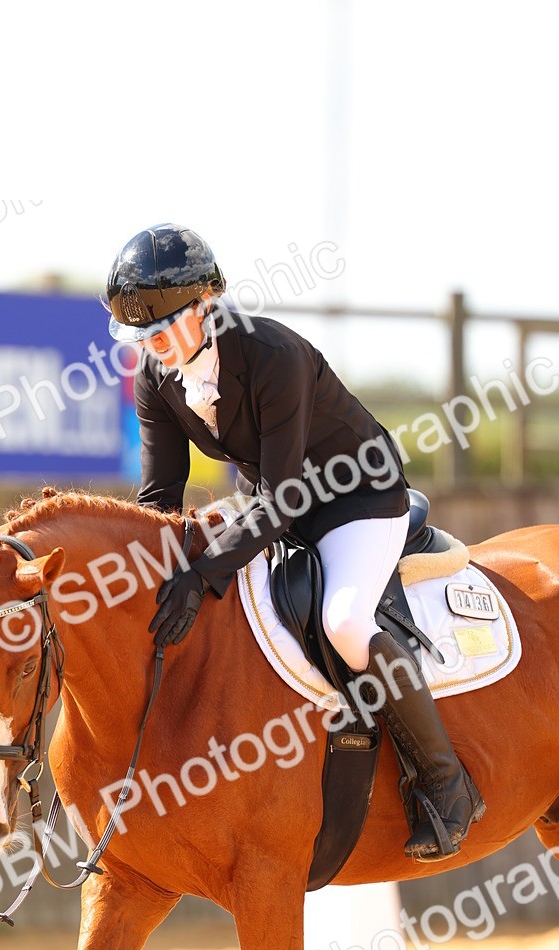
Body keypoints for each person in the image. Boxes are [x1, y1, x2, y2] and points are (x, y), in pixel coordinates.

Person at [103, 222, 485, 861]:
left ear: (208, 305)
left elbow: (284, 498)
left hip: (357, 499)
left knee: (343, 623)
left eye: (163, 329)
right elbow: (161, 496)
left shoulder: (273, 356)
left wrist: (203, 575)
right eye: (142, 336)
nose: (155, 346)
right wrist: (153, 569)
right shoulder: (157, 376)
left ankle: (445, 782)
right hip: (278, 505)